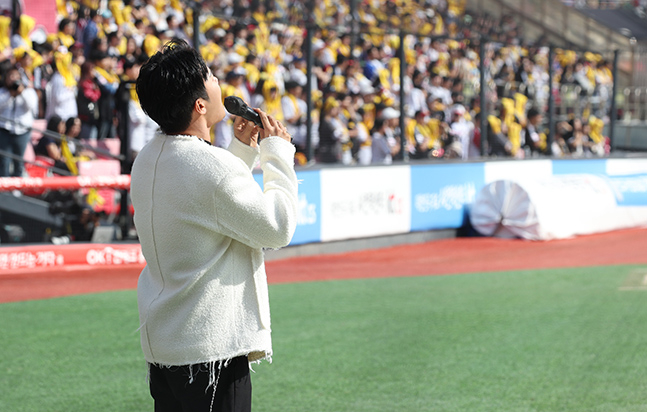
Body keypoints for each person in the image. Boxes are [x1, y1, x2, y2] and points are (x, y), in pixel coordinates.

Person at [130, 39, 298, 412]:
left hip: (167, 347)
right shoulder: (210, 169)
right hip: (211, 354)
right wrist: (278, 154)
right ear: (200, 106)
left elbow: (208, 206)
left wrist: (241, 151)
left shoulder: (147, 158)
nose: (219, 81)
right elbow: (278, 226)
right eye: (210, 77)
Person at [0, 65, 39, 177]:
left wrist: (21, 92)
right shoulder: (3, 92)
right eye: (10, 76)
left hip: (22, 131)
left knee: (19, 161)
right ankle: (4, 187)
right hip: (4, 130)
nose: (13, 79)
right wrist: (10, 95)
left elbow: (31, 106)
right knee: (4, 160)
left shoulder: (29, 92)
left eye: (15, 76)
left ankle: (17, 187)